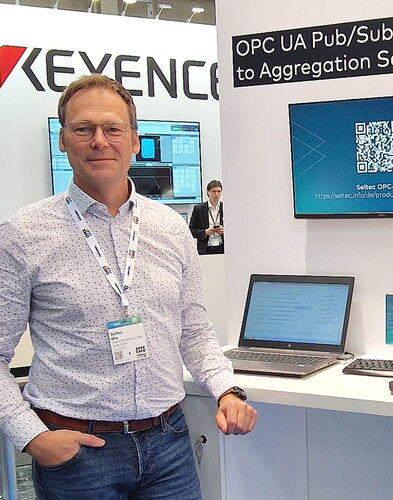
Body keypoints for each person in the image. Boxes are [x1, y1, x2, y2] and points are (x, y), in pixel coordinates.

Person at [0, 74, 257, 499]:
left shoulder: (170, 227)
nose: (99, 141)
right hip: (77, 453)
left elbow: (194, 332)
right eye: (84, 129)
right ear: (63, 140)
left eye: (113, 128)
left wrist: (227, 391)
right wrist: (32, 436)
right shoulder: (24, 234)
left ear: (135, 140)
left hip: (168, 443)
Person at [189, 180, 224, 255]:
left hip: (223, 248)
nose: (216, 194)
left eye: (219, 191)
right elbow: (191, 230)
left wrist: (225, 231)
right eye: (213, 191)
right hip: (205, 249)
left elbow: (235, 229)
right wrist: (205, 232)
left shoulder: (226, 208)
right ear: (208, 192)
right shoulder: (199, 209)